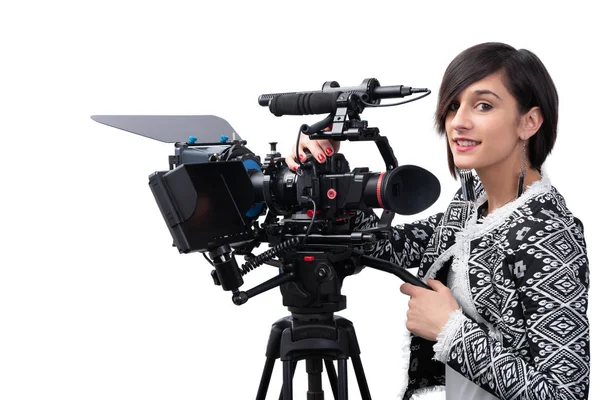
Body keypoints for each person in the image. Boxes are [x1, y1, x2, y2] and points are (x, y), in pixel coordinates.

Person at [285, 42, 590, 400]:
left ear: (530, 122)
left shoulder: (548, 233)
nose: (458, 122)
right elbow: (382, 244)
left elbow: (565, 393)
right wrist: (326, 176)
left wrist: (451, 330)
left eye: (483, 105)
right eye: (452, 106)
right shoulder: (473, 204)